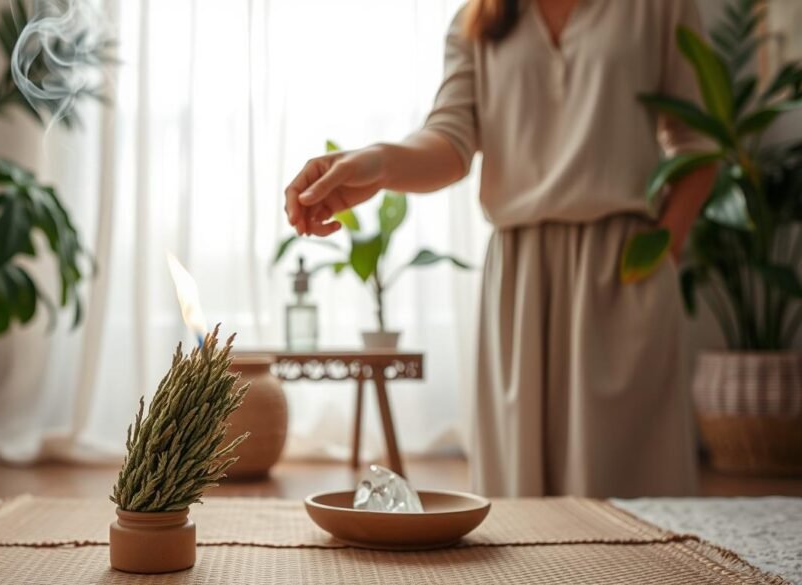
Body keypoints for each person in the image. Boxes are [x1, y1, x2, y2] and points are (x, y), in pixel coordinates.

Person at [283, 0, 716, 498]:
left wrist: (667, 251)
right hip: (521, 286)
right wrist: (375, 164)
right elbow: (449, 142)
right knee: (523, 516)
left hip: (623, 276)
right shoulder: (478, 20)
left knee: (638, 507)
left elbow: (697, 141)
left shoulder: (657, 8)